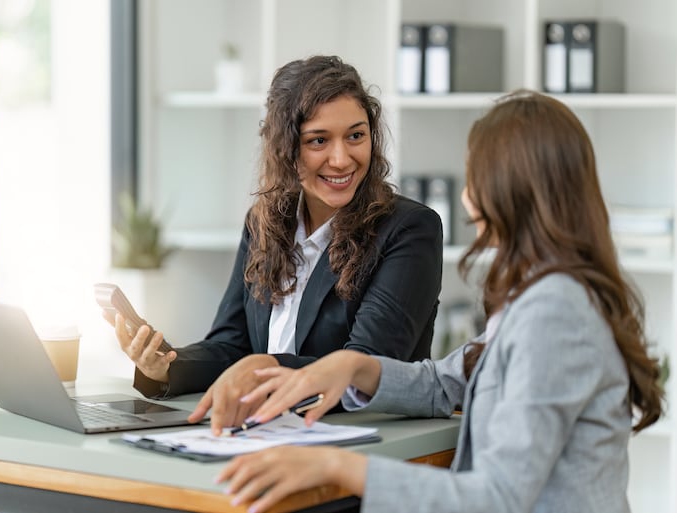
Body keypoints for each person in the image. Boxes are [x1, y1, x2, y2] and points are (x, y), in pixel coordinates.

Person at [215, 90, 665, 513]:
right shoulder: (537, 295)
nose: (467, 201)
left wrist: (338, 466)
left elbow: (499, 497)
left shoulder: (556, 312)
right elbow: (448, 383)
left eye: (475, 180)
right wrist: (354, 368)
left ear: (513, 191)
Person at [106, 55, 443, 432]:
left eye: (356, 136)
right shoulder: (265, 222)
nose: (341, 158)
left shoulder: (409, 229)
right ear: (285, 149)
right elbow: (232, 347)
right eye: (318, 140)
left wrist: (266, 367)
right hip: (268, 428)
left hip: (362, 439)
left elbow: (365, 365)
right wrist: (167, 364)